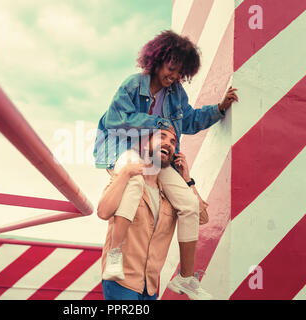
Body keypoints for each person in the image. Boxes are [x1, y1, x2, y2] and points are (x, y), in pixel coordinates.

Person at [93, 30, 238, 298]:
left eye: (179, 73)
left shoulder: (175, 95)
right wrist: (156, 123)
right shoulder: (132, 85)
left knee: (188, 203)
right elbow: (115, 120)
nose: (173, 76)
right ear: (157, 60)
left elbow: (190, 120)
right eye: (171, 68)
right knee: (134, 179)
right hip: (124, 148)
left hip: (158, 159)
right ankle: (115, 255)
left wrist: (218, 109)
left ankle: (186, 278)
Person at [98, 127, 211, 300]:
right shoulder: (128, 182)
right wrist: (126, 173)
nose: (168, 143)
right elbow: (103, 212)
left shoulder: (170, 196)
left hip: (149, 287)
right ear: (145, 145)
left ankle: (185, 279)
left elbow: (201, 217)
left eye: (173, 142)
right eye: (161, 137)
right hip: (121, 281)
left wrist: (188, 180)